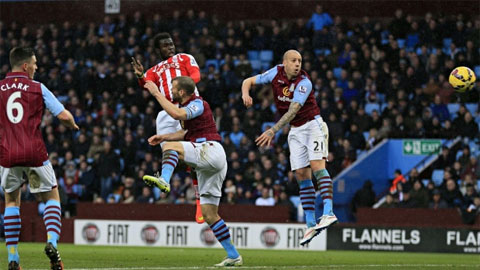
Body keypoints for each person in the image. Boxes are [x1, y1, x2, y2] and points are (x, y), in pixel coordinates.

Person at [141, 76, 242, 266]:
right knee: (209, 214)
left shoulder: (198, 103)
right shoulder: (190, 109)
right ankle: (233, 255)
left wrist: (155, 93)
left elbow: (178, 115)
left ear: (181, 92)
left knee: (171, 147)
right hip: (209, 161)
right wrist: (164, 136)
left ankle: (164, 179)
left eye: (173, 87)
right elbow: (186, 133)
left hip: (211, 150)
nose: (170, 90)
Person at [241, 50, 337, 246]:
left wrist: (272, 130)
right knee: (301, 174)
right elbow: (248, 81)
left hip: (313, 125)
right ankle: (310, 223)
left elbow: (293, 110)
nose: (297, 64)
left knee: (317, 166)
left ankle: (328, 212)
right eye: (294, 60)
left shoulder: (304, 82)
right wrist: (246, 94)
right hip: (295, 130)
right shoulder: (275, 73)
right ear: (284, 62)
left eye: (300, 61)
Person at [0, 47, 79, 270]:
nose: (37, 67)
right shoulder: (37, 87)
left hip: (7, 153)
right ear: (25, 66)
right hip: (35, 152)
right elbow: (63, 115)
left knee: (11, 201)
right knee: (52, 197)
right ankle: (52, 243)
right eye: (34, 63)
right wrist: (72, 124)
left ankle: (13, 258)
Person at [130, 32, 204, 222]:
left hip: (189, 105)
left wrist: (182, 90)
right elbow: (146, 85)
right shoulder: (155, 70)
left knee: (196, 158)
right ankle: (164, 178)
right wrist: (140, 76)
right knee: (168, 148)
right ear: (158, 50)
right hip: (168, 110)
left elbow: (196, 75)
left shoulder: (185, 57)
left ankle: (199, 202)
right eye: (165, 45)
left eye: (171, 44)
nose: (170, 47)